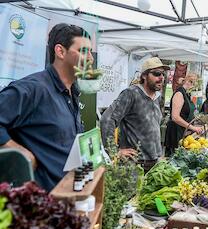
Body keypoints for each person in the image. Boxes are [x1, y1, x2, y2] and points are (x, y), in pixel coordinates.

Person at [0, 23, 92, 191]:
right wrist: (18, 152)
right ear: (60, 51)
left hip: (68, 195)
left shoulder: (73, 92)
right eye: (83, 51)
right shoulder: (32, 89)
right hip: (42, 202)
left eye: (91, 52)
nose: (90, 59)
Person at [100, 57, 169, 172]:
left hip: (154, 164)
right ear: (144, 76)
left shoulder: (157, 97)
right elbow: (107, 120)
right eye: (157, 74)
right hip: (134, 165)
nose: (161, 78)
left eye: (163, 74)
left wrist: (158, 154)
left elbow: (153, 129)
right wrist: (114, 152)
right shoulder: (131, 94)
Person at [164, 73, 203, 156]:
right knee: (174, 158)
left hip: (183, 131)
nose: (195, 89)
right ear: (190, 82)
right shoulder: (179, 94)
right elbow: (175, 117)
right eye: (195, 86)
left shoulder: (186, 94)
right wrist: (192, 127)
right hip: (175, 132)